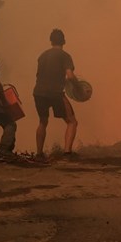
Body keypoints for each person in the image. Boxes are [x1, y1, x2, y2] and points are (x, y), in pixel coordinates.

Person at [32, 28, 79, 160]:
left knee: (42, 121)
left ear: (51, 41)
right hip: (55, 93)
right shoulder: (65, 56)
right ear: (64, 41)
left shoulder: (42, 55)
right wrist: (78, 87)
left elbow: (42, 74)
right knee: (72, 122)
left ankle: (39, 154)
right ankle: (67, 153)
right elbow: (70, 76)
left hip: (38, 92)